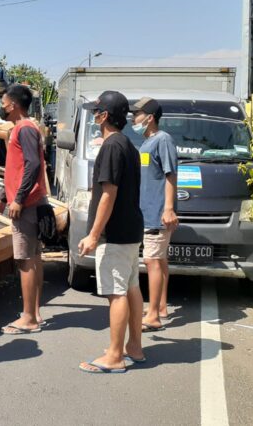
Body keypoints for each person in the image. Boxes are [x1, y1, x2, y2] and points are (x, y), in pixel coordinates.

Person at [77, 91, 145, 374]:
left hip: (115, 234)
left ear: (104, 116)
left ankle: (115, 356)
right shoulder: (127, 145)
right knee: (131, 289)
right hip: (130, 230)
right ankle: (134, 347)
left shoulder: (111, 147)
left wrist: (93, 234)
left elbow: (108, 194)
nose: (94, 117)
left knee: (116, 293)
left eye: (96, 112)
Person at [0, 84, 49, 334]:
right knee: (34, 258)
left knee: (25, 260)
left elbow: (32, 164)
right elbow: (16, 168)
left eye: (3, 104)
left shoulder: (24, 129)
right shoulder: (26, 127)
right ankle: (35, 312)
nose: (2, 108)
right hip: (31, 202)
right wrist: (5, 196)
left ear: (14, 105)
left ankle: (28, 318)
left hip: (27, 206)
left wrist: (19, 199)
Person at [130, 97, 178, 331]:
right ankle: (160, 308)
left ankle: (152, 317)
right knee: (159, 260)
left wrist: (168, 208)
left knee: (152, 261)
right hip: (148, 212)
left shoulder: (163, 139)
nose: (133, 119)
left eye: (136, 114)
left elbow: (170, 174)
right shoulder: (147, 143)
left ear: (149, 118)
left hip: (157, 213)